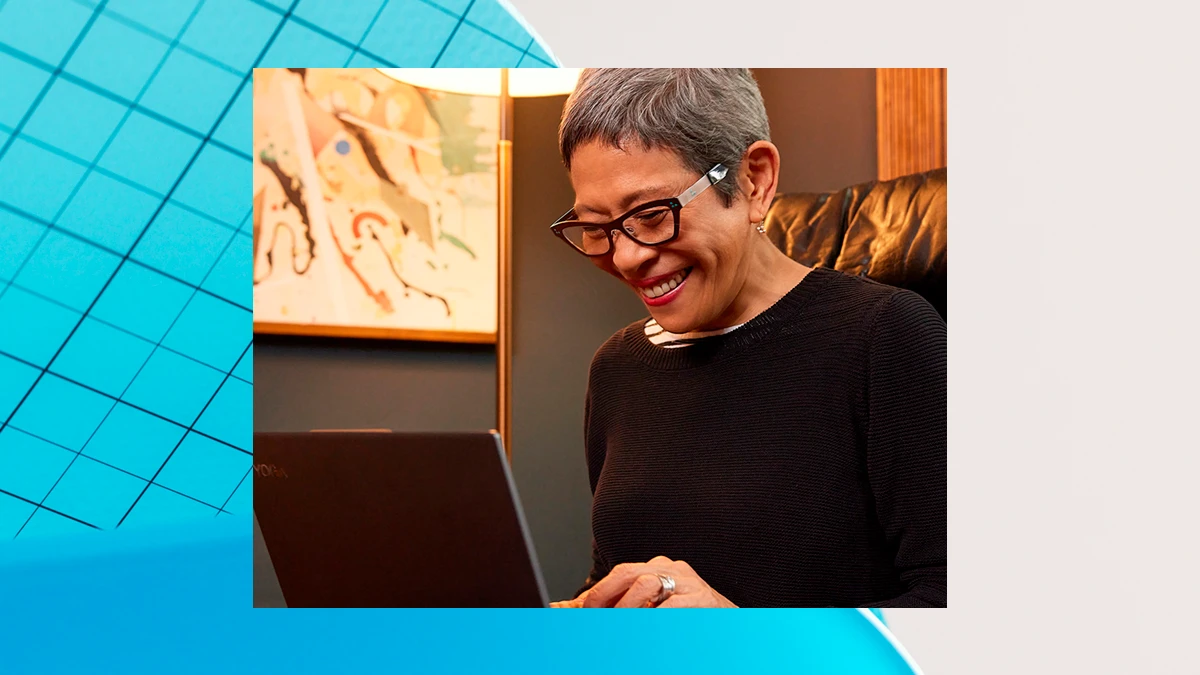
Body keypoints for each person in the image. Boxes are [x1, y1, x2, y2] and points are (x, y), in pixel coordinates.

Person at [547, 69, 946, 608]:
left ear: (754, 181)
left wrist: (748, 640)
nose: (626, 257)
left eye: (651, 214)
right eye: (597, 227)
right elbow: (617, 578)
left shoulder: (889, 338)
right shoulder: (618, 368)